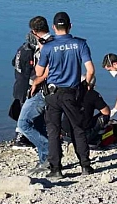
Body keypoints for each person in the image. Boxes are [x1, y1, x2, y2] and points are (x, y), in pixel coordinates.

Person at [35, 12, 95, 179]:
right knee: (78, 128)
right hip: (72, 92)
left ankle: (56, 169)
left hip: (53, 93)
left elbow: (39, 72)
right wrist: (86, 85)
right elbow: (90, 70)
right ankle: (85, 166)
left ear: (54, 27)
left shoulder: (47, 47)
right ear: (70, 26)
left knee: (53, 131)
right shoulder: (80, 44)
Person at [17, 16, 53, 174]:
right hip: (49, 90)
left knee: (23, 123)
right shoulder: (54, 42)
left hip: (42, 90)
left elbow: (47, 70)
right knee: (38, 124)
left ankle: (50, 153)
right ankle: (44, 159)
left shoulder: (47, 45)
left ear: (33, 31)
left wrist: (36, 82)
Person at [61, 76, 112, 149]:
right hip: (83, 136)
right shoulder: (92, 94)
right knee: (105, 116)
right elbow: (106, 112)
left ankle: (68, 138)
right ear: (93, 85)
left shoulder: (68, 92)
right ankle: (91, 136)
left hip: (66, 134)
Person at [10, 31, 38, 149]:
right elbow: (29, 73)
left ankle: (22, 137)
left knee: (22, 111)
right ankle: (20, 139)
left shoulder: (21, 48)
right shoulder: (29, 53)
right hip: (25, 87)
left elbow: (13, 62)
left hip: (18, 84)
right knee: (25, 113)